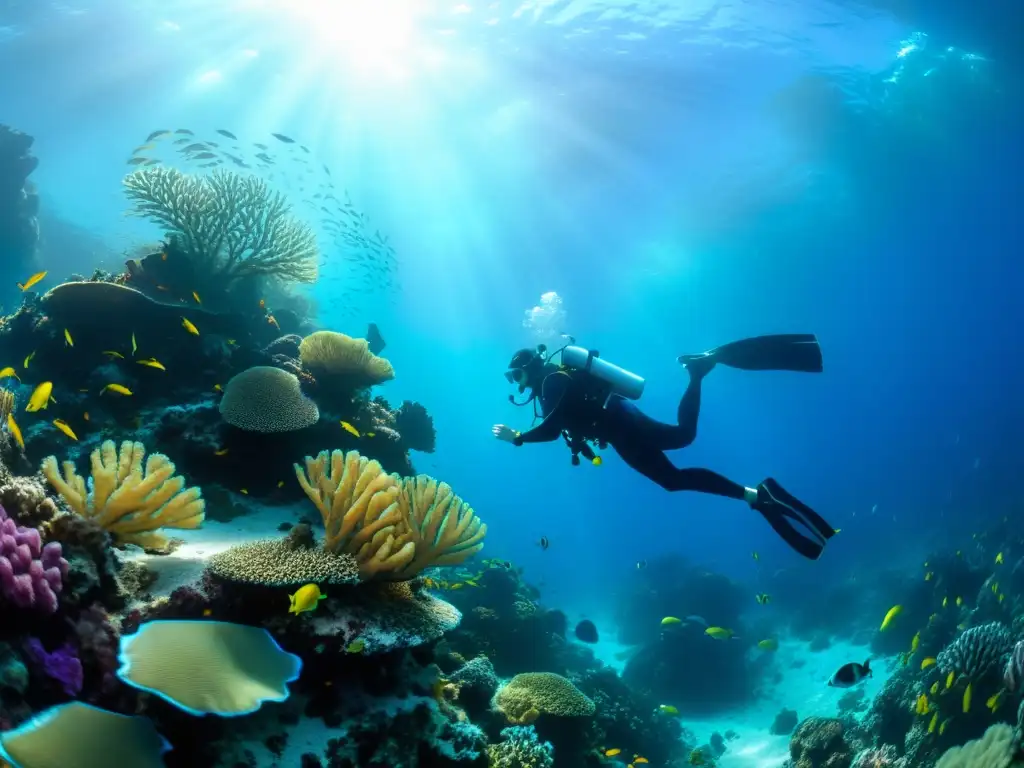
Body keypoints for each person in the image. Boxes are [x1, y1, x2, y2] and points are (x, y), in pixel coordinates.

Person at [492, 334, 836, 560]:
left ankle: (699, 372)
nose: (515, 383)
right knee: (678, 457)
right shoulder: (551, 382)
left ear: (528, 369)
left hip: (618, 421)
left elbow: (552, 430)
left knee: (679, 451)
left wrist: (518, 437)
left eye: (515, 376)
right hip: (616, 423)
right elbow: (560, 426)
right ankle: (756, 495)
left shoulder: (552, 381)